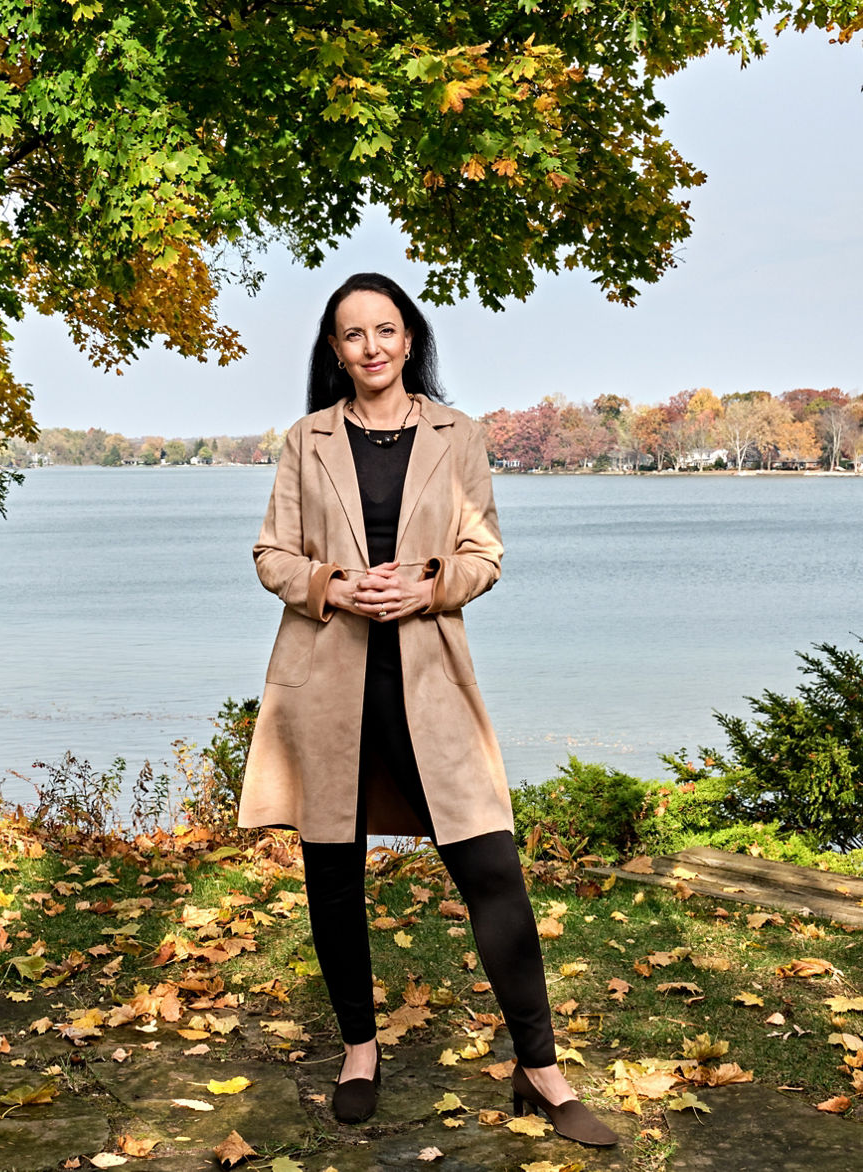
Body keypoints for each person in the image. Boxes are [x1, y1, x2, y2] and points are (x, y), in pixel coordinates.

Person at [237, 272, 618, 1147]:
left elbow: (483, 554)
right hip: (327, 683)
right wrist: (332, 582)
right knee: (333, 873)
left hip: (428, 681)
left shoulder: (460, 437)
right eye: (351, 335)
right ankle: (360, 1051)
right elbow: (270, 555)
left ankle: (541, 1067)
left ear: (410, 339)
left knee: (490, 865)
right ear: (334, 352)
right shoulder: (306, 440)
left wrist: (430, 587)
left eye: (385, 330)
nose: (370, 347)